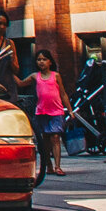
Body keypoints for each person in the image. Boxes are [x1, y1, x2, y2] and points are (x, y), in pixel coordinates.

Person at [33, 49, 71, 177]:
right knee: (44, 141)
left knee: (55, 137)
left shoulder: (56, 76)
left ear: (50, 62)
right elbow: (20, 83)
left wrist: (70, 110)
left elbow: (63, 94)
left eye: (44, 59)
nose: (41, 62)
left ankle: (58, 166)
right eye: (39, 59)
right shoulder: (35, 76)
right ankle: (48, 165)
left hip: (56, 111)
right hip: (41, 112)